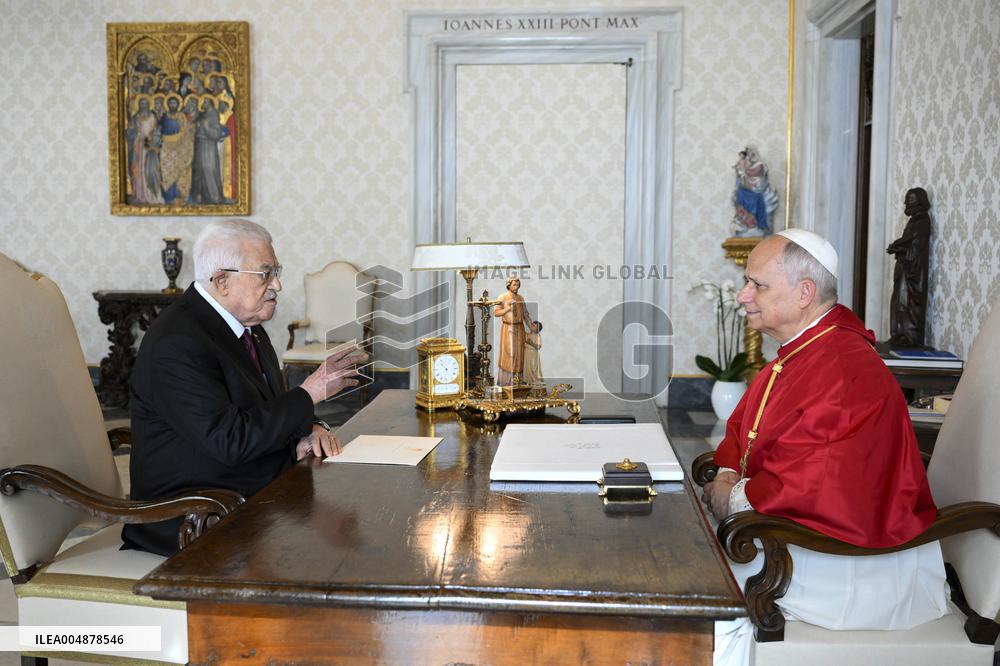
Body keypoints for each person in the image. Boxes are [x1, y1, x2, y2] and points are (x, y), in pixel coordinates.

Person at [705, 229, 948, 666]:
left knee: (704, 600)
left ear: (804, 293)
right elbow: (744, 429)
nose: (743, 295)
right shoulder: (802, 351)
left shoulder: (841, 368)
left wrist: (731, 497)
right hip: (803, 537)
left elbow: (810, 482)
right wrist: (725, 474)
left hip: (856, 565)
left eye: (757, 284)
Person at [123, 219, 366, 556]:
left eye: (276, 271)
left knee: (355, 516)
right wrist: (309, 393)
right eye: (265, 274)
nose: (277, 285)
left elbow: (265, 411)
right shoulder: (177, 342)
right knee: (331, 552)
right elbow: (229, 441)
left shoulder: (248, 328)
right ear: (221, 280)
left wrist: (309, 429)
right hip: (194, 518)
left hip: (249, 494)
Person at [887, 187, 932, 347]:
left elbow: (915, 246)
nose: (906, 203)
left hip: (913, 273)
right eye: (906, 199)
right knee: (899, 302)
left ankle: (910, 336)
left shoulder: (922, 221)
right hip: (905, 270)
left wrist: (898, 248)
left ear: (920, 201)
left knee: (908, 304)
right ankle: (900, 334)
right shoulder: (913, 221)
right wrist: (898, 247)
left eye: (910, 200)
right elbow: (908, 241)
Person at [493, 277, 533, 386]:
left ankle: (518, 381)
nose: (516, 287)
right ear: (508, 285)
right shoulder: (502, 297)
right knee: (509, 353)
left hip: (519, 328)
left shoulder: (520, 297)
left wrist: (531, 326)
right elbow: (496, 313)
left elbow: (525, 314)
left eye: (518, 285)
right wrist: (507, 309)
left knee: (519, 354)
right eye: (514, 285)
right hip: (508, 328)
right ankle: (506, 382)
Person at [522, 320, 544, 386]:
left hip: (533, 354)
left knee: (533, 368)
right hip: (527, 353)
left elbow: (538, 347)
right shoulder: (527, 334)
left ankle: (537, 384)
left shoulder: (537, 336)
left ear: (537, 329)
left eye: (534, 325)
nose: (531, 326)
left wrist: (531, 343)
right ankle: (529, 384)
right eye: (532, 324)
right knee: (527, 368)